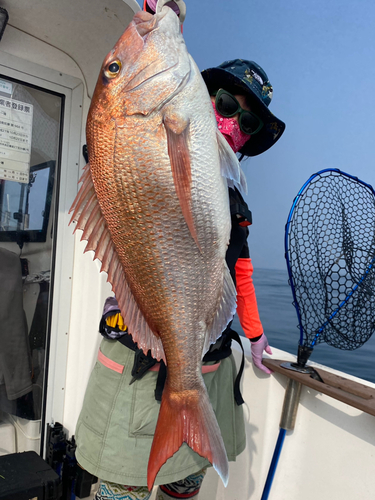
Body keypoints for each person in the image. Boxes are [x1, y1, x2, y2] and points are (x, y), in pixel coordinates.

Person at [74, 4, 285, 500]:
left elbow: (242, 270)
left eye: (248, 121)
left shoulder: (233, 195)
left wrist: (254, 336)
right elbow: (106, 149)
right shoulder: (149, 123)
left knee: (184, 490)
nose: (235, 123)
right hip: (139, 366)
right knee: (121, 492)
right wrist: (167, 17)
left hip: (204, 372)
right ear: (204, 99)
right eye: (228, 107)